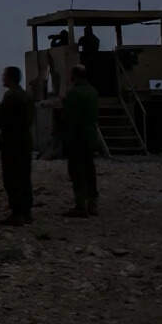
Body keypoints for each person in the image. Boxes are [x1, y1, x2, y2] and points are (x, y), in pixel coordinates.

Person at [0, 66, 34, 225]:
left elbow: (3, 120)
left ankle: (17, 213)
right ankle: (26, 212)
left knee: (12, 177)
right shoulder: (25, 95)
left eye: (4, 76)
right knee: (24, 177)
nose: (2, 79)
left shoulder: (10, 96)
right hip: (25, 140)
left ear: (10, 78)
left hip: (12, 142)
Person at [62, 64, 100, 217]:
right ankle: (93, 203)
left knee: (77, 171)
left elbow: (69, 118)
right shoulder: (93, 92)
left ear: (74, 76)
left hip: (77, 137)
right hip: (90, 136)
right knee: (90, 169)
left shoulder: (74, 93)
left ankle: (80, 205)